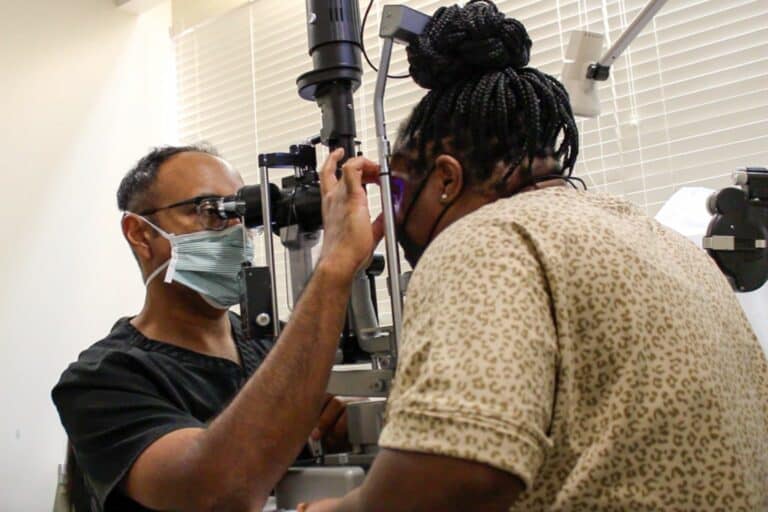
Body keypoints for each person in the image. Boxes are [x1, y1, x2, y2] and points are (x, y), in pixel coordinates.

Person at [300, 1, 768, 511]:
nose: (389, 218)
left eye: (396, 190)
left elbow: (457, 478)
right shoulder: (666, 243)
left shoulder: (486, 240)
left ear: (447, 180)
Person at [52, 144, 382, 511]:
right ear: (140, 233)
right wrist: (334, 266)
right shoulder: (100, 381)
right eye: (212, 211)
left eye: (244, 214)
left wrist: (344, 430)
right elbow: (215, 493)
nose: (236, 233)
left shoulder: (276, 344)